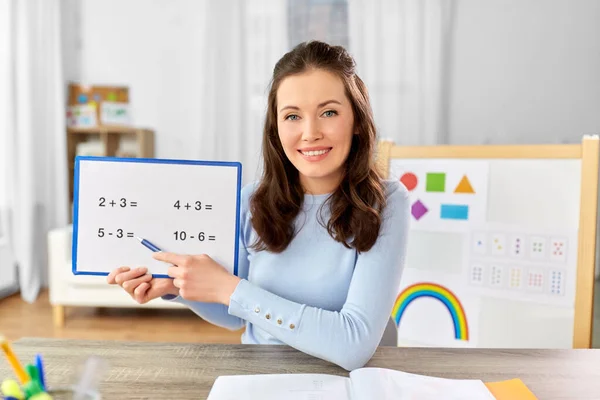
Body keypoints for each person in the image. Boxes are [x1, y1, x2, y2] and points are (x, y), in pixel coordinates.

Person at [107, 40, 410, 371]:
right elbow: (235, 315)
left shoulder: (387, 202)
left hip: (351, 383)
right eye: (292, 116)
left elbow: (353, 344)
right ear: (275, 128)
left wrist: (229, 288)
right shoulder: (252, 200)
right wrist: (180, 287)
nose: (310, 133)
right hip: (262, 376)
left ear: (356, 119)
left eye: (329, 112)